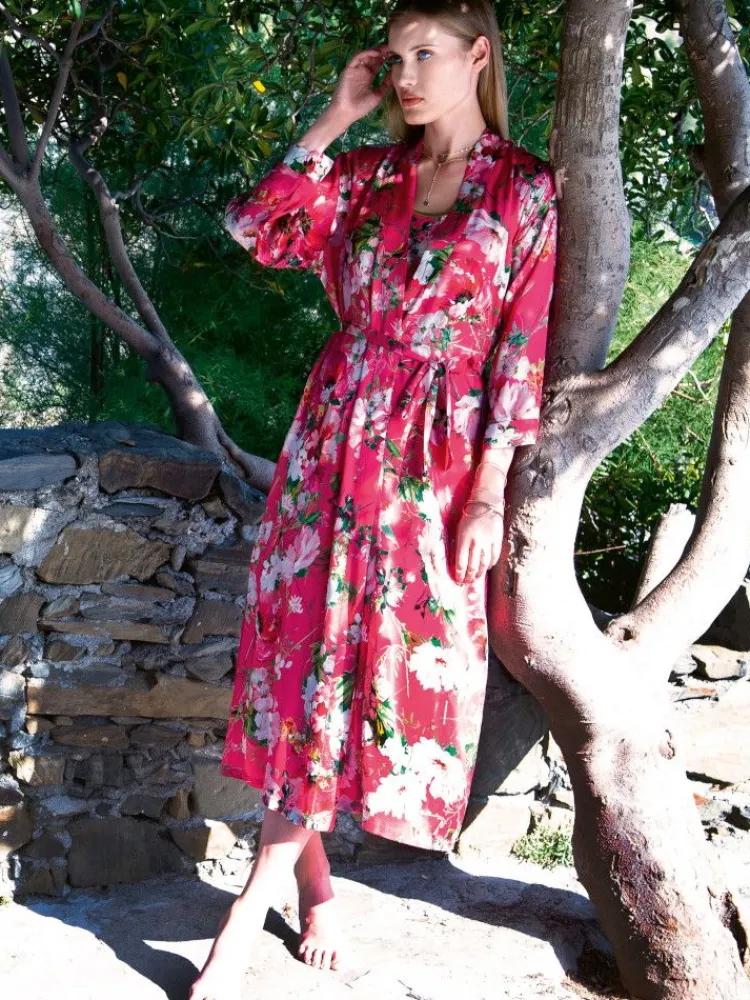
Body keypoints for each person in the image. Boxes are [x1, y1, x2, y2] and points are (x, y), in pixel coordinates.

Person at [189, 0, 557, 996]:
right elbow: (259, 231)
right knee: (303, 657)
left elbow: (520, 354)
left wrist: (488, 495)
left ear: (477, 57)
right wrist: (335, 117)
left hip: (431, 464)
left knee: (373, 666)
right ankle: (300, 887)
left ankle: (257, 899)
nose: (405, 74)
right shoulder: (365, 174)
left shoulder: (525, 189)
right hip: (330, 438)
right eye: (393, 57)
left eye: (424, 53)